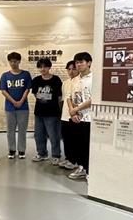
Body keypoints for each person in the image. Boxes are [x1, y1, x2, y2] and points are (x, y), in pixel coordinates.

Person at [0, 52, 32, 159]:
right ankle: (11, 150)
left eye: (15, 61)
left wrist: (21, 101)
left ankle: (21, 150)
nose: (13, 63)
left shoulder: (26, 74)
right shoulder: (5, 75)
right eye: (11, 61)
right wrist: (13, 101)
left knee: (22, 130)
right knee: (10, 130)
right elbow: (3, 90)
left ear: (19, 61)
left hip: (23, 107)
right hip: (10, 107)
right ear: (9, 62)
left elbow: (27, 89)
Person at [31, 58, 63, 164]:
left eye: (45, 66)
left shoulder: (56, 79)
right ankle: (42, 154)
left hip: (52, 113)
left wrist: (60, 111)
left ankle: (56, 155)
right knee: (39, 135)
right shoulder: (36, 80)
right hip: (39, 112)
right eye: (40, 67)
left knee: (54, 135)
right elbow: (36, 94)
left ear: (49, 67)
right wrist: (45, 97)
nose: (42, 69)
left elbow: (59, 97)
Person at [67, 52, 93, 181]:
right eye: (76, 62)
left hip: (89, 118)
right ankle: (82, 167)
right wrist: (72, 112)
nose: (78, 65)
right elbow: (69, 97)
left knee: (88, 146)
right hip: (76, 118)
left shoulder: (94, 78)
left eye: (81, 62)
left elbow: (93, 99)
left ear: (88, 63)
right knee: (78, 146)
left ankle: (90, 171)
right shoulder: (74, 80)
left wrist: (76, 109)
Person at [57, 60, 79, 171]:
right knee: (66, 139)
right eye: (69, 69)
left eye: (73, 69)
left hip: (75, 115)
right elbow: (63, 99)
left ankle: (75, 161)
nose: (71, 71)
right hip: (65, 115)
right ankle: (68, 158)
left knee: (75, 139)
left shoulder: (79, 82)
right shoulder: (65, 83)